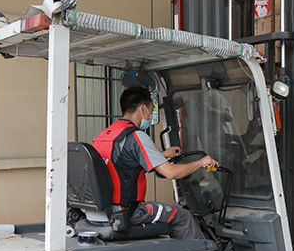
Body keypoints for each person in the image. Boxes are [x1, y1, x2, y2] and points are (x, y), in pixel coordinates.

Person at [92, 86, 218, 240]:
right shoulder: (136, 136)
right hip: (128, 212)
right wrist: (201, 162)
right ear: (142, 109)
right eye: (151, 110)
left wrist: (163, 155)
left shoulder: (106, 135)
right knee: (183, 216)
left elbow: (121, 165)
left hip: (102, 212)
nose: (151, 115)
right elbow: (171, 173)